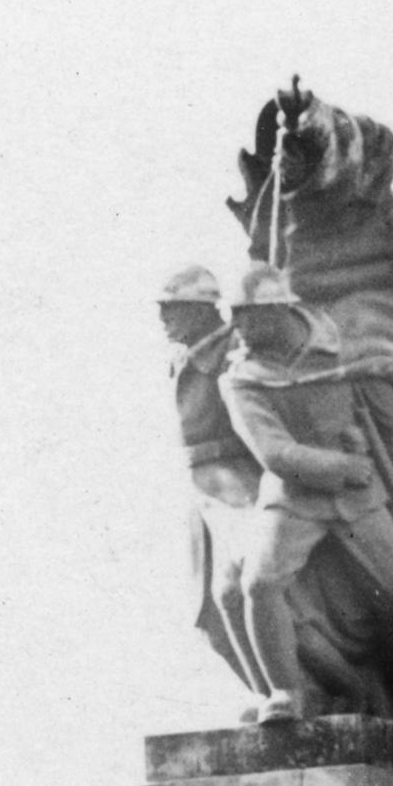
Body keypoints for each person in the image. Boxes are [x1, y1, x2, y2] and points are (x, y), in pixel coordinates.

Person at [219, 267, 393, 727]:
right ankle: (284, 692)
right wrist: (341, 468)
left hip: (362, 498)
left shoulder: (343, 349)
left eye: (245, 317)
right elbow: (273, 452)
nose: (237, 328)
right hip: (293, 497)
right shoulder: (241, 378)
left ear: (279, 312)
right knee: (260, 584)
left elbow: (389, 419)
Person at [159, 264, 261, 704]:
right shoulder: (182, 354)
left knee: (244, 587)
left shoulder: (234, 347)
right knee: (208, 618)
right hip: (201, 486)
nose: (163, 320)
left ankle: (295, 690)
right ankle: (266, 693)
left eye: (171, 309)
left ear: (202, 309)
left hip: (237, 480)